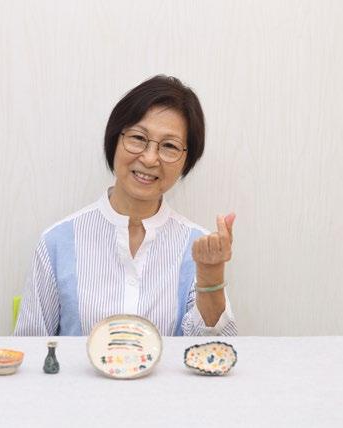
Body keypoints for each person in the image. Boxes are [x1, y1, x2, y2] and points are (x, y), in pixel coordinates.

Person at [14, 75, 237, 337]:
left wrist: (211, 275)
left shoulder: (198, 246)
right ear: (115, 140)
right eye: (138, 138)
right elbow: (29, 347)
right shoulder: (57, 243)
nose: (150, 158)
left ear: (186, 161)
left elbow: (214, 352)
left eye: (169, 146)